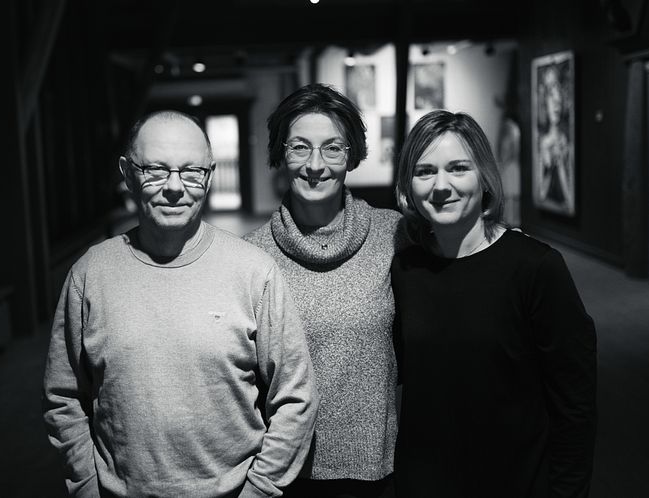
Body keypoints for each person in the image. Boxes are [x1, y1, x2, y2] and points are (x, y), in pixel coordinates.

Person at [43, 110, 319, 498]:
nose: (175, 187)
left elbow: (295, 397)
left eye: (191, 172)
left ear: (209, 174)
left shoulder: (254, 272)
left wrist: (259, 491)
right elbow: (63, 396)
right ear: (127, 174)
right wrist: (87, 486)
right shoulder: (91, 275)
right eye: (156, 169)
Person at [392, 110, 597, 497]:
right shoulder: (405, 269)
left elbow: (576, 406)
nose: (441, 186)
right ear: (408, 184)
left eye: (458, 168)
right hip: (425, 483)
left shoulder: (536, 267)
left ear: (484, 176)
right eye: (424, 171)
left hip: (517, 482)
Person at [244, 83, 407, 498]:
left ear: (352, 155)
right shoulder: (249, 256)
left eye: (332, 148)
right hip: (282, 475)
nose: (315, 165)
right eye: (300, 147)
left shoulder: (394, 235)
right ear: (280, 154)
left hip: (377, 470)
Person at [537, 63, 573, 214]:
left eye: (558, 93)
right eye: (551, 94)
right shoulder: (542, 143)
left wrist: (561, 164)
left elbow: (570, 201)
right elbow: (541, 194)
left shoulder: (566, 142)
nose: (556, 101)